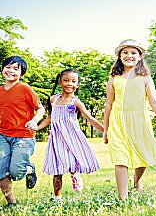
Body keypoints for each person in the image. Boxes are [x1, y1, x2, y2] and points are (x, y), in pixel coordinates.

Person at [103, 39, 156, 200]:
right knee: (120, 159)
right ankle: (123, 198)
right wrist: (106, 129)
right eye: (125, 52)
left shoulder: (145, 78)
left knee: (142, 157)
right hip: (118, 122)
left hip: (140, 122)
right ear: (119, 56)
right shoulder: (114, 78)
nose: (129, 56)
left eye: (133, 53)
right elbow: (108, 104)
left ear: (140, 57)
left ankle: (137, 178)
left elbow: (154, 102)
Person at [38, 69, 103, 201]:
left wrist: (105, 131)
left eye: (73, 81)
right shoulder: (53, 99)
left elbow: (90, 119)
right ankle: (57, 198)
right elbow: (51, 117)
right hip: (56, 138)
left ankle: (75, 173)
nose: (69, 83)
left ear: (77, 85)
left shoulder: (76, 102)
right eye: (66, 80)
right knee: (57, 168)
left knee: (72, 161)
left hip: (72, 137)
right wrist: (37, 127)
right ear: (60, 82)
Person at [0, 56, 45, 205]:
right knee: (0, 170)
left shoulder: (24, 89)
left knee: (16, 172)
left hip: (23, 136)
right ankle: (12, 203)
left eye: (16, 68)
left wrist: (34, 121)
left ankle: (29, 169)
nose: (11, 71)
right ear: (2, 69)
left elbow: (40, 108)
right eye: (8, 67)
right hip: (3, 135)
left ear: (21, 73)